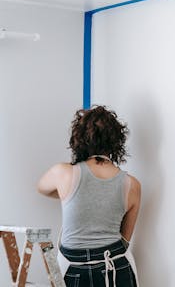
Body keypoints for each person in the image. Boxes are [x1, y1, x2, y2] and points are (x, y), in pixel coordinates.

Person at [37, 105, 141, 287]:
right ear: (117, 141)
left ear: (79, 139)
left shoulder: (63, 173)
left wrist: (70, 194)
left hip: (73, 271)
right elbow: (124, 241)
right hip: (117, 270)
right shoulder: (133, 185)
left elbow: (42, 188)